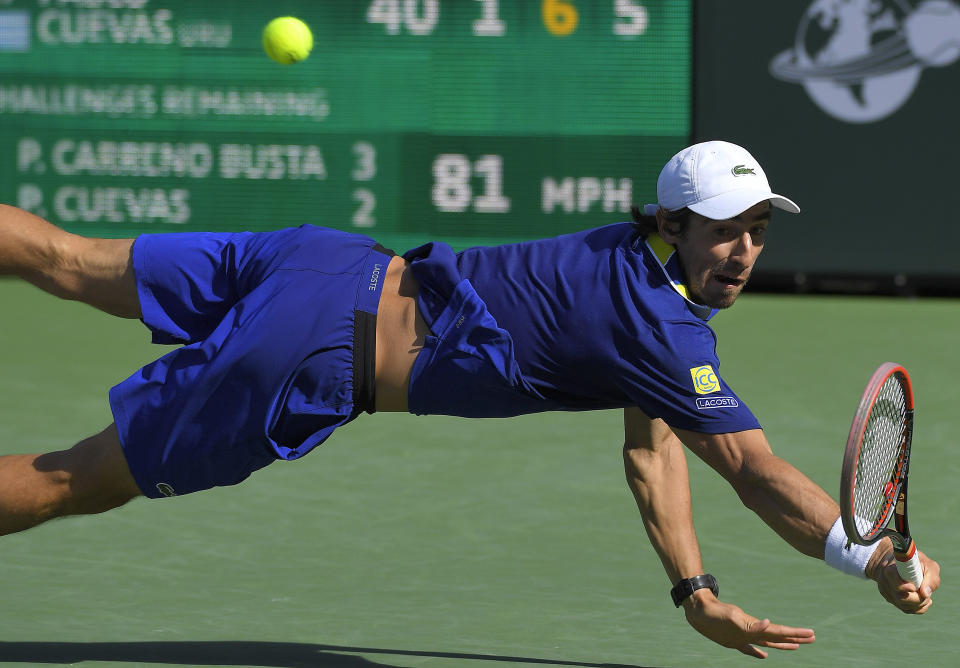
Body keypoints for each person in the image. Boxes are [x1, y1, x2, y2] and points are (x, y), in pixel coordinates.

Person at [0, 140, 941, 659]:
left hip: (321, 259)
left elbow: (654, 448)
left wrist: (695, 592)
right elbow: (750, 469)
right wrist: (871, 556)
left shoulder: (626, 265)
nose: (743, 252)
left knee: (69, 260)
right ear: (674, 225)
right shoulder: (662, 331)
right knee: (76, 479)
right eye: (724, 232)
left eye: (757, 232)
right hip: (313, 354)